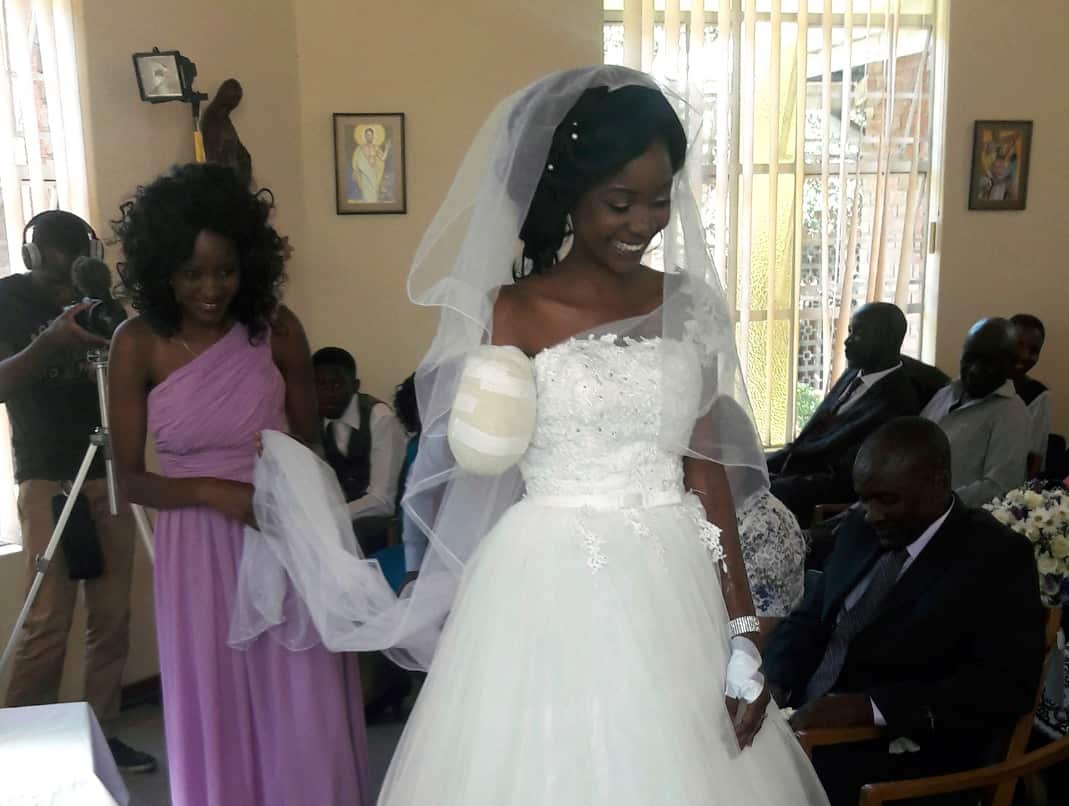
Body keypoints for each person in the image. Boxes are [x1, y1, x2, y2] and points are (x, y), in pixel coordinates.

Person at [237, 66, 827, 806]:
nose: (642, 223)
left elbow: (705, 470)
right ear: (571, 194)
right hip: (548, 575)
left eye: (659, 200)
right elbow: (479, 462)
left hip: (675, 577)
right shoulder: (510, 311)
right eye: (619, 202)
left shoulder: (690, 304)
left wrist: (741, 629)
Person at [107, 163, 369, 806]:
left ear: (248, 263)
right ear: (162, 268)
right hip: (197, 548)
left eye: (224, 271)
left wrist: (279, 469)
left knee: (300, 694)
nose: (210, 289)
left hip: (279, 530)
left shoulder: (277, 329)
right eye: (191, 273)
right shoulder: (137, 343)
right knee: (217, 696)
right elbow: (129, 478)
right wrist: (213, 492)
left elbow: (311, 445)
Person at [764, 417, 1046, 806]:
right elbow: (809, 619)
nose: (871, 513)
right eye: (864, 498)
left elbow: (1005, 686)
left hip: (898, 750)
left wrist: (870, 707)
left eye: (887, 500)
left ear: (937, 483)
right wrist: (775, 678)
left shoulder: (995, 557)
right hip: (801, 718)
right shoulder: (862, 527)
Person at [0, 209, 155, 772]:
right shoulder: (6, 299)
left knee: (111, 618)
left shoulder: (101, 300)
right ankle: (23, 746)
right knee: (47, 619)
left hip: (108, 469)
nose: (66, 287)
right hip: (46, 474)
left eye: (76, 273)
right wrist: (51, 341)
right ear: (31, 257)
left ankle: (101, 734)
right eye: (55, 272)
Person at [768, 302, 920, 526]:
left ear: (887, 339)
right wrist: (757, 469)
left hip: (817, 504)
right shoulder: (853, 374)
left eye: (859, 334)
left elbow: (845, 480)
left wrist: (772, 488)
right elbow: (808, 440)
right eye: (850, 331)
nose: (847, 341)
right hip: (791, 476)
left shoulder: (897, 403)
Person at [921, 318, 1030, 507]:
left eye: (989, 363)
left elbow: (999, 487)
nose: (974, 369)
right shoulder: (946, 393)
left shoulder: (1012, 414)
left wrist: (934, 503)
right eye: (969, 359)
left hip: (952, 515)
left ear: (1011, 366)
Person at [313, 346, 407, 555]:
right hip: (340, 515)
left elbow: (383, 501)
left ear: (355, 386)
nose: (329, 393)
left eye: (337, 384)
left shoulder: (380, 419)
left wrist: (327, 517)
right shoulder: (312, 420)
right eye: (320, 384)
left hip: (382, 521)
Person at [1009, 313, 1049, 478]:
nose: (1025, 355)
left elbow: (1034, 459)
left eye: (1034, 351)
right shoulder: (977, 385)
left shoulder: (1037, 395)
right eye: (1018, 345)